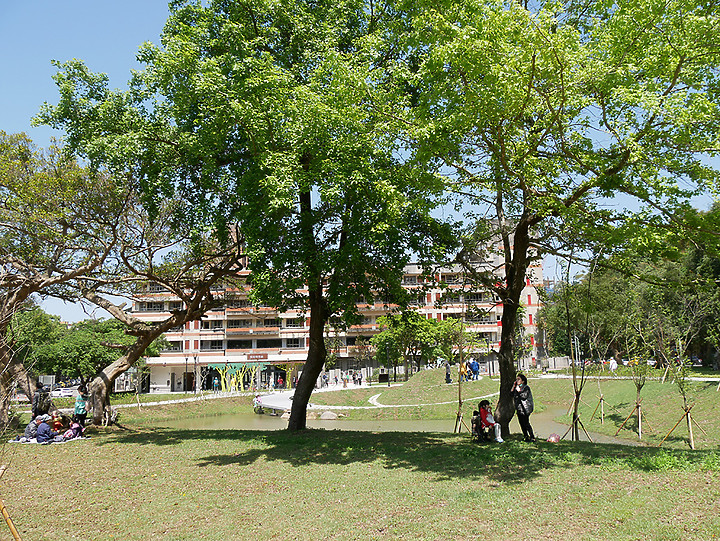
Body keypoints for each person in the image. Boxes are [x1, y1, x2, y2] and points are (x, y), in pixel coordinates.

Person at [512, 373, 536, 442]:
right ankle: (526, 436)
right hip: (519, 408)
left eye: (519, 379)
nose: (517, 381)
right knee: (521, 423)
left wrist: (519, 391)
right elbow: (511, 394)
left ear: (523, 381)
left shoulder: (526, 388)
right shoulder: (516, 388)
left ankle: (532, 437)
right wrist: (514, 387)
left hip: (525, 408)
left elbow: (524, 396)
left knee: (526, 423)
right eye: (517, 379)